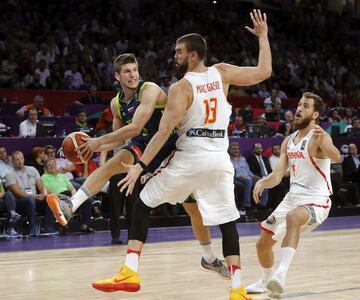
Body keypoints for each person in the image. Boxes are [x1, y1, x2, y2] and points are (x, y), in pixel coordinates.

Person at [93, 10, 272, 299]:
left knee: (142, 201)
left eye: (178, 52)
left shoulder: (181, 87)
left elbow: (163, 133)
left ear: (193, 55)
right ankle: (238, 289)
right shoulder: (223, 72)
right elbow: (264, 72)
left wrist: (139, 165)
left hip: (191, 157)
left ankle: (129, 270)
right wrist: (263, 37)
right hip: (219, 160)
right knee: (227, 221)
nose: (174, 56)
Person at [47, 53, 230, 278]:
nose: (132, 75)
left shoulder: (149, 90)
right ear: (117, 76)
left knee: (193, 209)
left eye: (134, 70)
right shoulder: (116, 104)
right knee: (111, 165)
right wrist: (95, 147)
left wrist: (98, 142)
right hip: (143, 145)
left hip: (170, 145)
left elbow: (135, 127)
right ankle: (71, 205)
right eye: (127, 71)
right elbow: (117, 138)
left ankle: (209, 257)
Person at [245, 92, 340, 298]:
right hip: (292, 198)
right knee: (262, 244)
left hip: (317, 199)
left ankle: (280, 276)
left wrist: (325, 142)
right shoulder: (289, 140)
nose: (299, 109)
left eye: (305, 106)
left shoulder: (319, 136)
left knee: (293, 218)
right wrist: (263, 182)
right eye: (299, 104)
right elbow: (279, 174)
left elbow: (337, 157)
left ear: (315, 114)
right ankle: (266, 281)